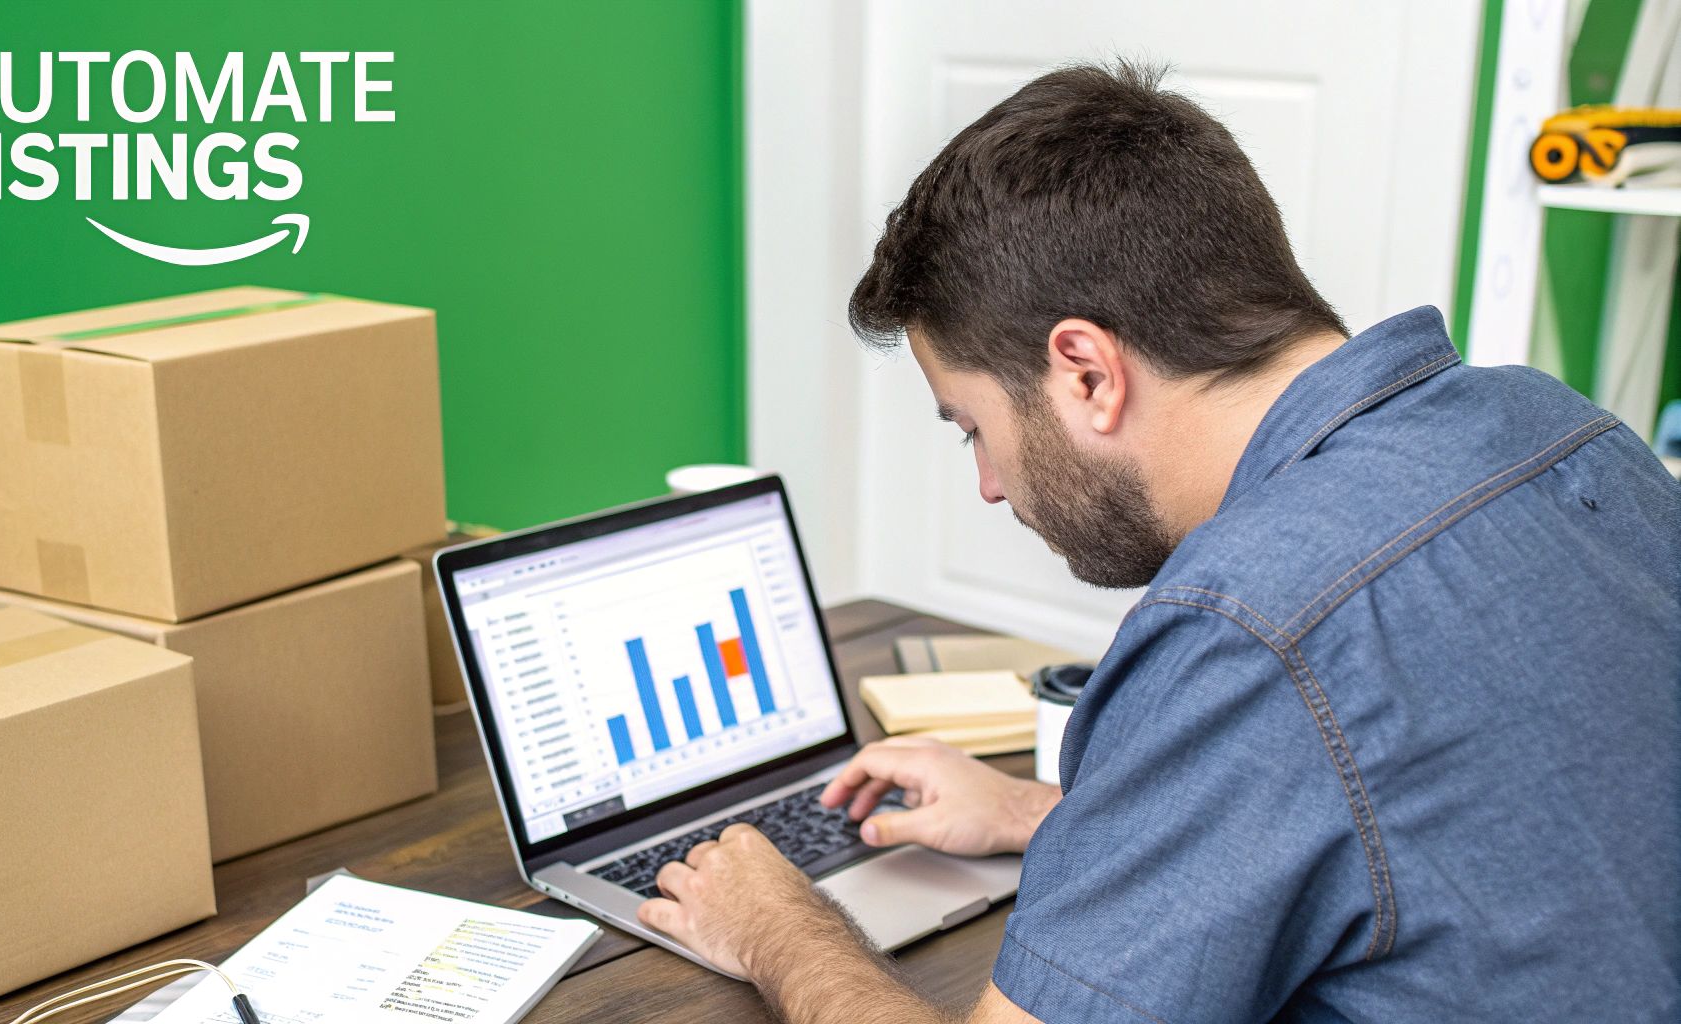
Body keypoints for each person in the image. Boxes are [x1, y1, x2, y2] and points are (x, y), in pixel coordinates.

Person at [635, 61, 1681, 1022]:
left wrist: (775, 922)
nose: (990, 485)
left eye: (971, 426)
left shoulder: (1247, 623)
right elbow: (1443, 824)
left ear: (1084, 371)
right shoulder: (1553, 427)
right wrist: (1060, 819)